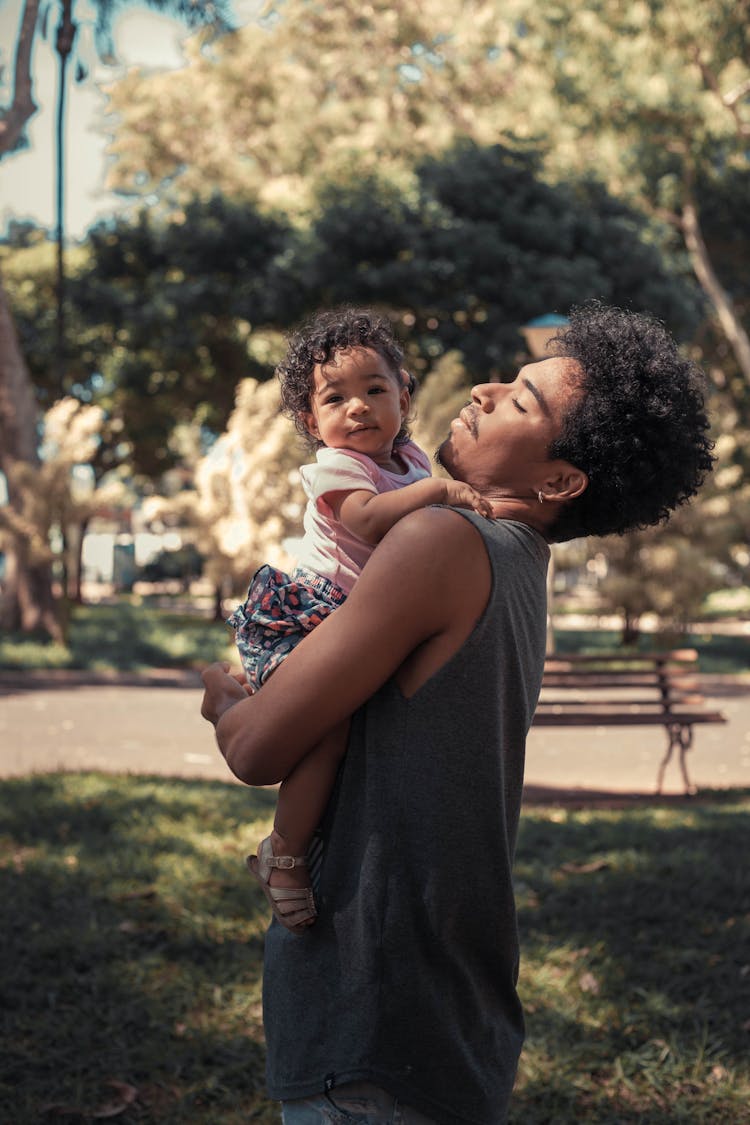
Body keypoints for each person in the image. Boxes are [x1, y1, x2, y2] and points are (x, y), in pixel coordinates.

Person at [202, 303, 715, 1125]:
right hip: (453, 999)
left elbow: (260, 748)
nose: (482, 389)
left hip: (369, 1003)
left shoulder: (439, 540)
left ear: (557, 481)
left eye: (519, 400)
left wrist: (226, 699)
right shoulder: (517, 561)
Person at [227, 307, 492, 935]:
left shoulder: (414, 460)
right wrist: (442, 494)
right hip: (312, 619)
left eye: (375, 390)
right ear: (309, 420)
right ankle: (284, 854)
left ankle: (227, 699)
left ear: (404, 393)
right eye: (335, 398)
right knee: (327, 737)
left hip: (363, 620)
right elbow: (369, 522)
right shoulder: (339, 468)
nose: (358, 408)